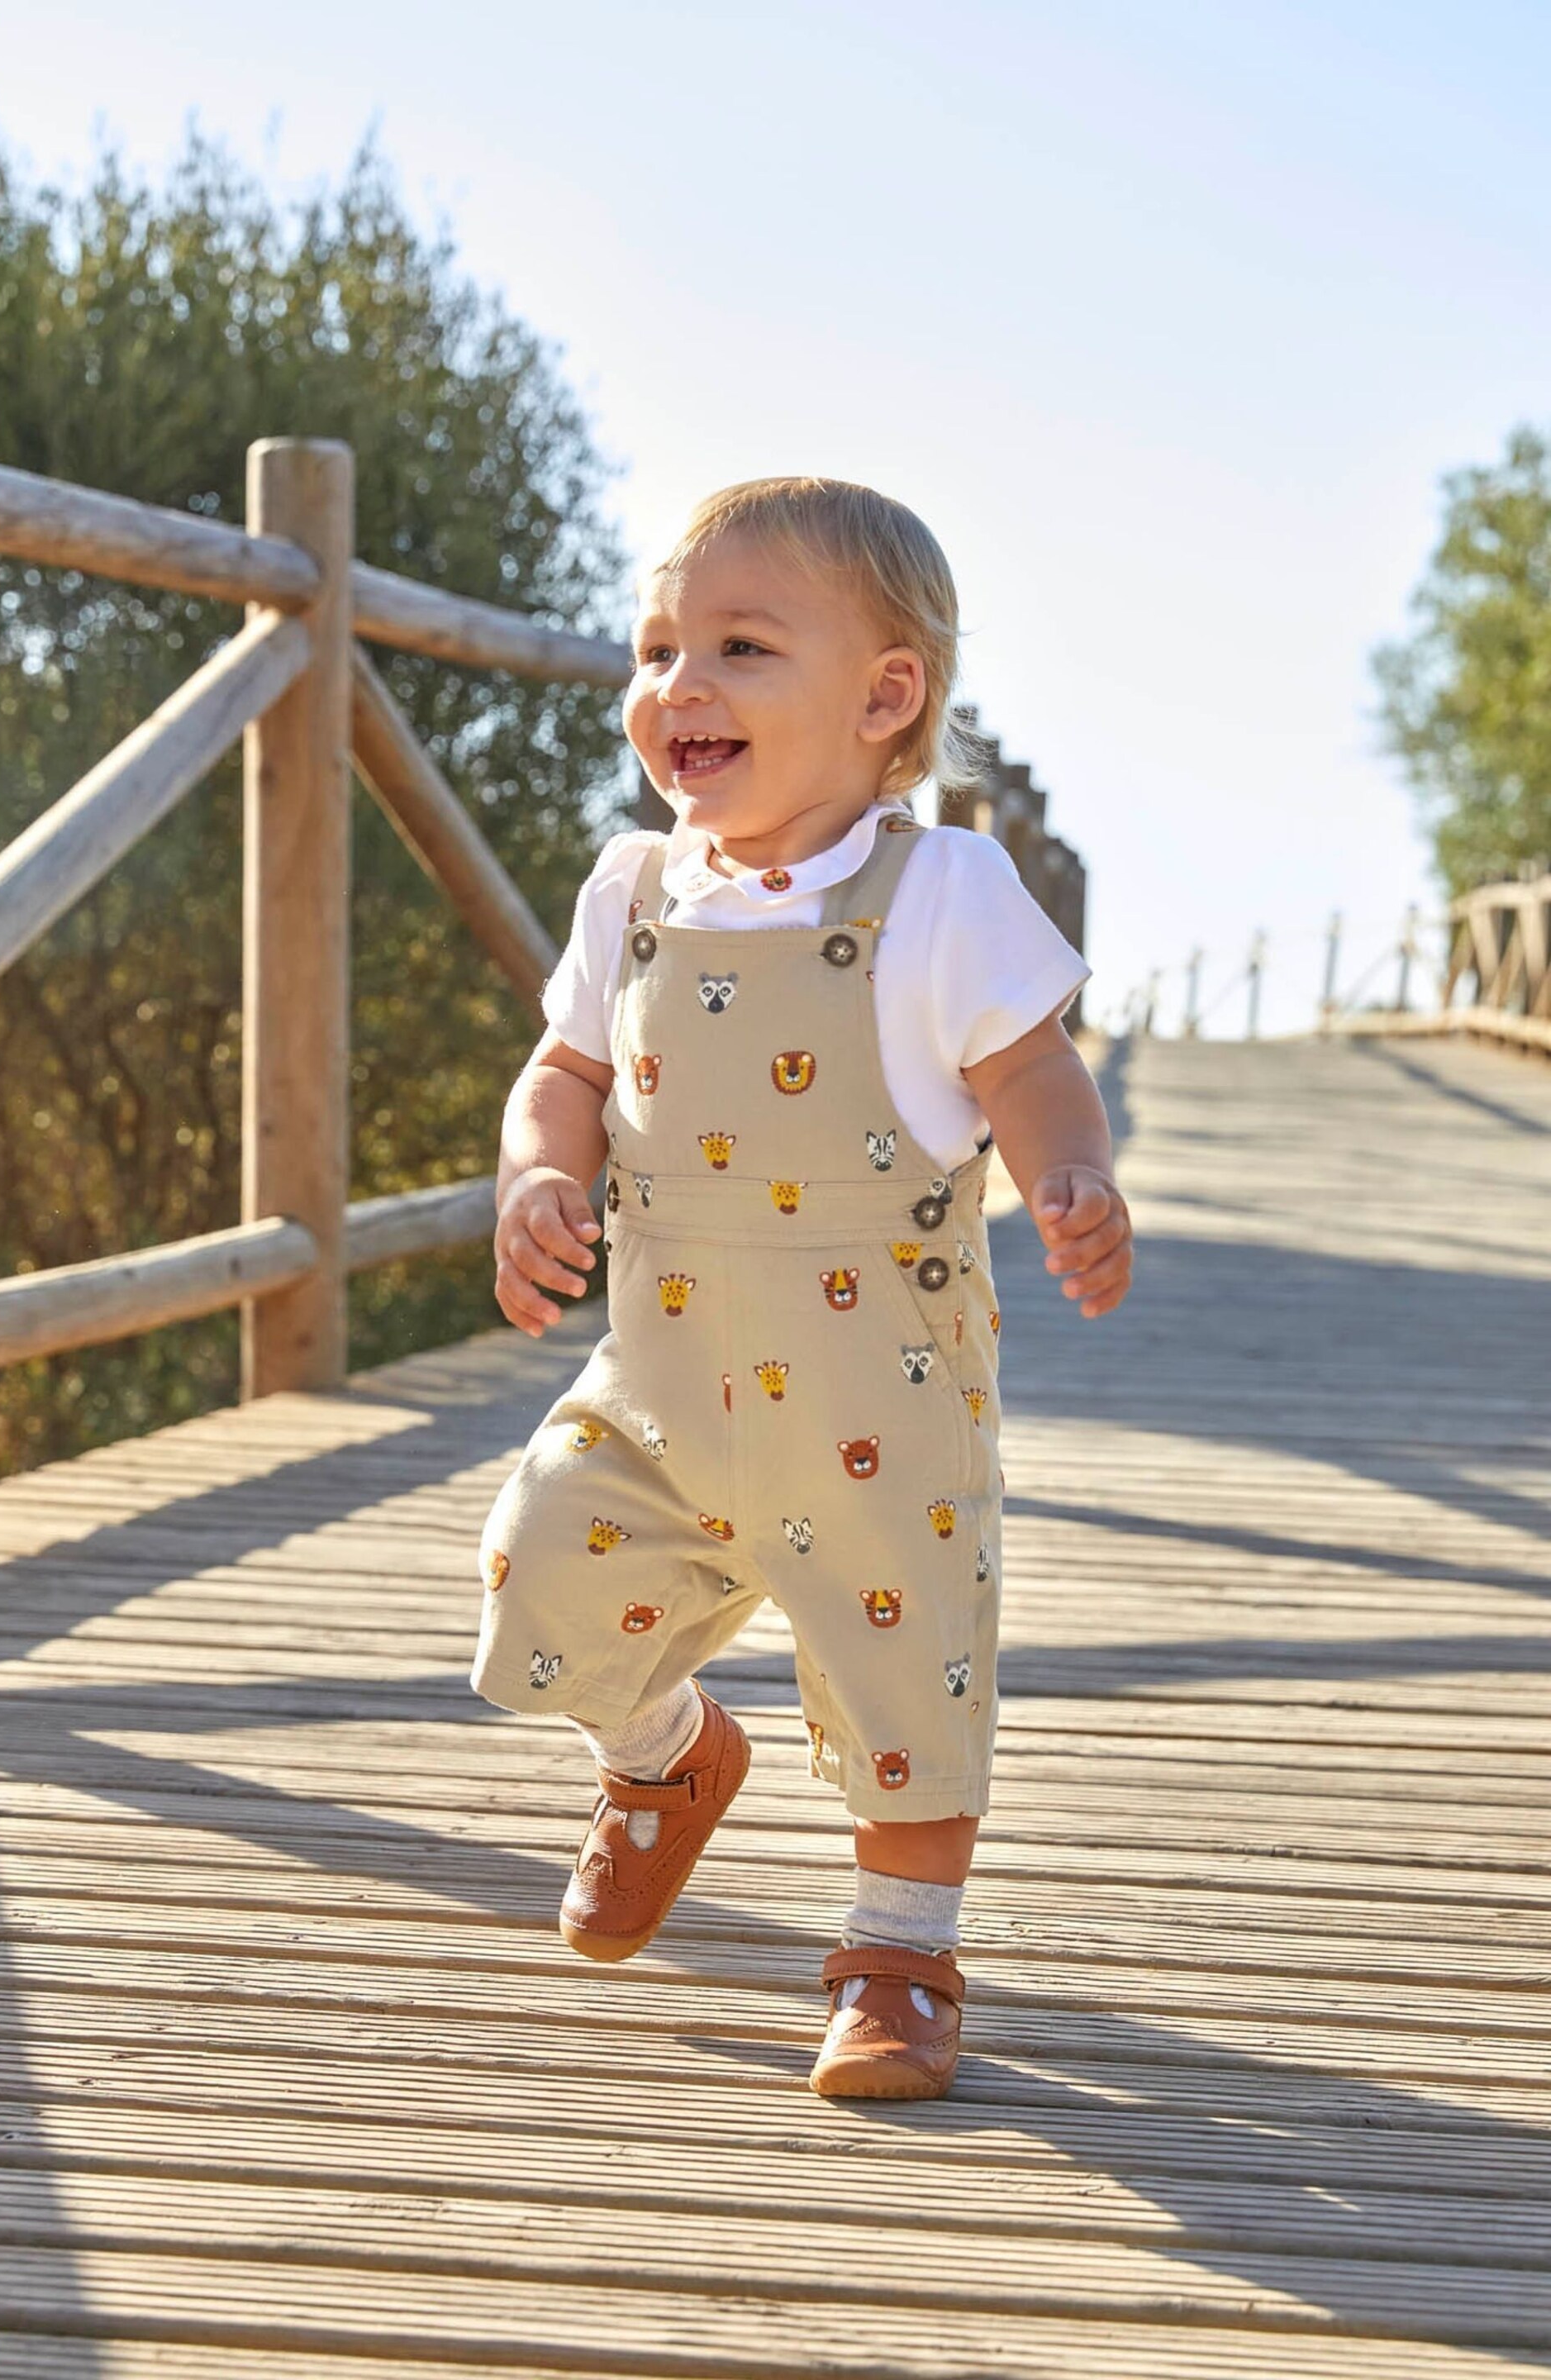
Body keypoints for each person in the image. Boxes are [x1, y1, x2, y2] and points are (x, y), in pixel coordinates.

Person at [471, 476, 1132, 2100]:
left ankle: (899, 1952)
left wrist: (1071, 1175)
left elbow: (1034, 1067)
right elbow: (561, 1066)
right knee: (535, 1562)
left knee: (914, 1672)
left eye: (738, 649)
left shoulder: (943, 899)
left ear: (885, 695)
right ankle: (667, 1760)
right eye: (656, 649)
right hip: (666, 1385)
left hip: (877, 1404)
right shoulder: (630, 891)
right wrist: (538, 1169)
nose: (675, 686)